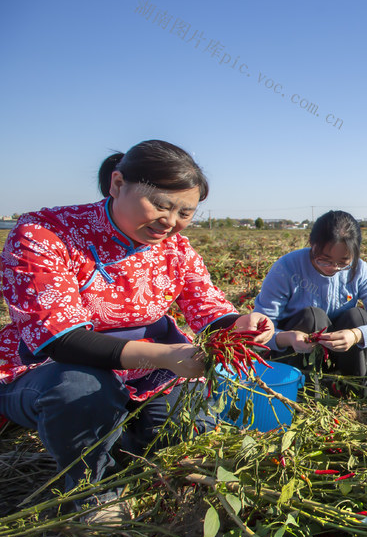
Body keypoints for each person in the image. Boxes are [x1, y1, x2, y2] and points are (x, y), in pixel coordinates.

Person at [0, 140, 274, 496]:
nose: (171, 222)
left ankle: (119, 445)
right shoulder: (46, 234)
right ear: (117, 185)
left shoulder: (174, 248)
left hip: (146, 372)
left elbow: (206, 305)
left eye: (185, 213)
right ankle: (89, 494)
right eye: (160, 206)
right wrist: (163, 355)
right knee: (83, 390)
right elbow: (60, 338)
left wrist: (239, 323)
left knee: (180, 429)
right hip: (53, 368)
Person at [253, 210, 367, 379]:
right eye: (324, 259)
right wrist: (288, 338)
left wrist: (355, 335)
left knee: (359, 317)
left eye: (343, 262)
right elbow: (259, 330)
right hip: (296, 354)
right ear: (311, 244)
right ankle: (305, 386)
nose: (333, 268)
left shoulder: (358, 270)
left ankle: (351, 382)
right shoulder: (287, 268)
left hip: (340, 354)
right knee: (313, 318)